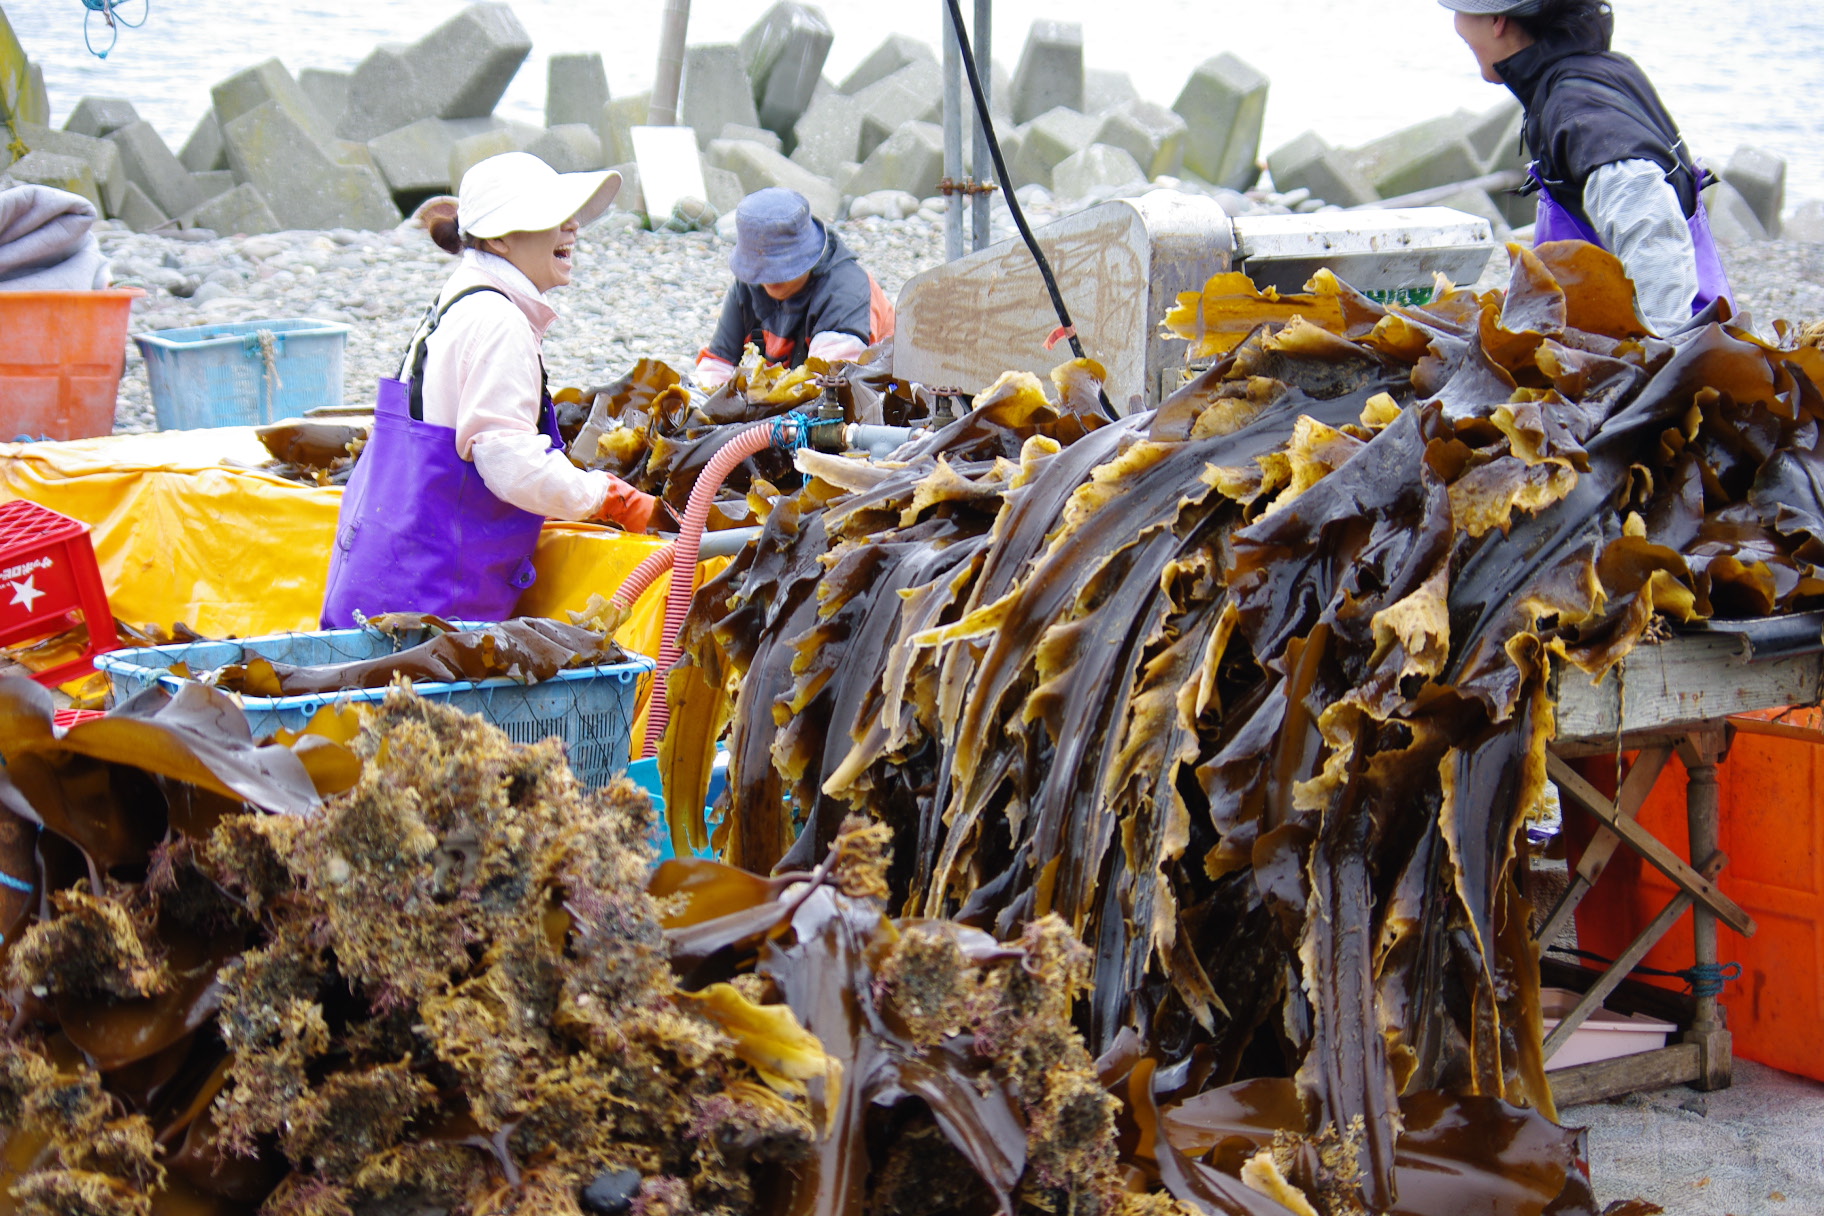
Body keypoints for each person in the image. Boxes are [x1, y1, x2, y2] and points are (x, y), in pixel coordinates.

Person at [322, 152, 663, 627]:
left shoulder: (460, 298)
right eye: (553, 217)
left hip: (382, 575)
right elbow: (509, 462)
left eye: (571, 217)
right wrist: (605, 496)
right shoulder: (500, 321)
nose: (572, 228)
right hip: (434, 599)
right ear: (499, 239)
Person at [1443, 0, 1731, 333]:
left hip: (1678, 344)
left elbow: (1650, 227)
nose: (1456, 22)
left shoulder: (1576, 107)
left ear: (1496, 19)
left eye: (1460, 9)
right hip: (1670, 330)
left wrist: (1660, 357)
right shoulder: (1599, 71)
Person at [695, 187, 896, 388]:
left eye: (780, 268)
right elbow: (716, 366)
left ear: (809, 254)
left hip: (872, 398)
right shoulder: (748, 286)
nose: (769, 278)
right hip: (786, 396)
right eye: (760, 269)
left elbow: (828, 384)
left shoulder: (845, 290)